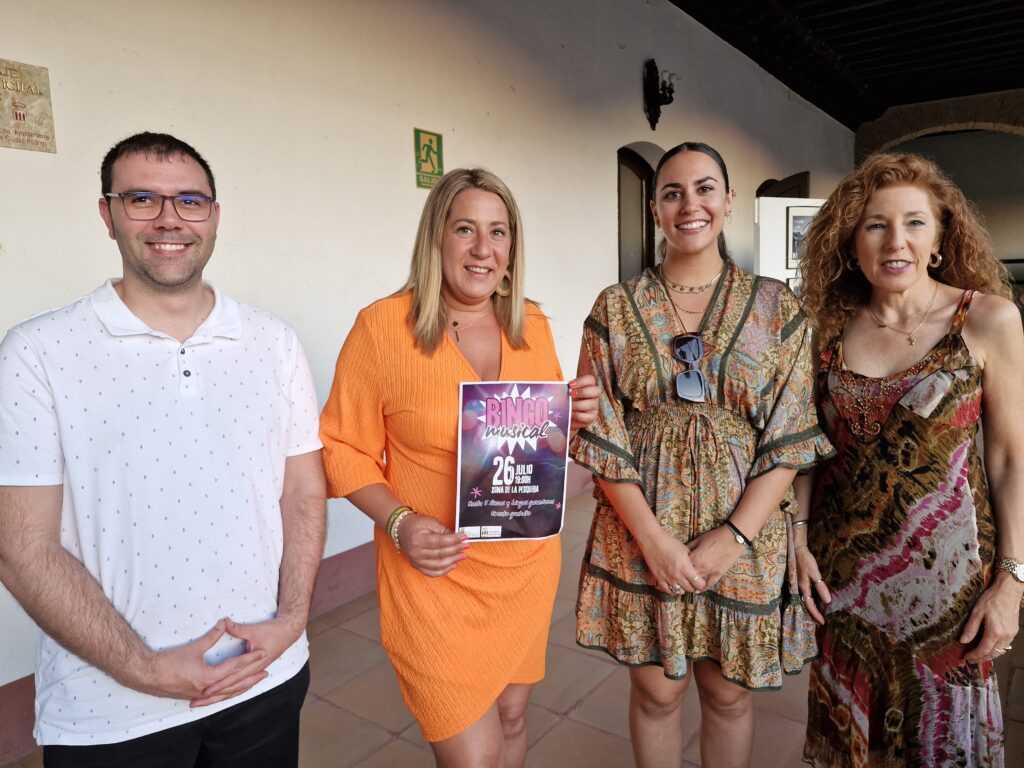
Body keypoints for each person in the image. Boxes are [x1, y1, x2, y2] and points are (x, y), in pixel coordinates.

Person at [0, 132, 326, 768]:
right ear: (108, 214)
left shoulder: (274, 342)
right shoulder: (37, 353)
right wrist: (145, 669)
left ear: (215, 216)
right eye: (142, 198)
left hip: (267, 676)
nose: (169, 219)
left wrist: (291, 621)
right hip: (110, 711)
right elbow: (21, 545)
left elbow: (303, 492)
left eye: (190, 201)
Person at [318, 167, 599, 768]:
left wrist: (576, 416)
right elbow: (341, 446)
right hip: (434, 573)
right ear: (436, 238)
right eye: (465, 229)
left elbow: (539, 440)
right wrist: (399, 523)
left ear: (512, 247)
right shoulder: (382, 328)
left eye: (498, 232)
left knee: (513, 716)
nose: (482, 249)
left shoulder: (532, 326)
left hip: (523, 567)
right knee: (471, 755)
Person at [570, 141, 834, 768]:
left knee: (728, 694)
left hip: (746, 531)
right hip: (640, 530)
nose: (690, 204)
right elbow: (601, 429)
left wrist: (734, 537)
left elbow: (791, 433)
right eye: (672, 193)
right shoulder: (615, 306)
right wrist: (653, 540)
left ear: (729, 200)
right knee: (657, 692)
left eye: (705, 188)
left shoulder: (777, 307)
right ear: (656, 210)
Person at [794, 152, 1023, 767]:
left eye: (915, 223)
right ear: (851, 242)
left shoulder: (988, 320)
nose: (896, 241)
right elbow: (807, 450)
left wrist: (1012, 580)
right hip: (843, 584)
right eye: (876, 224)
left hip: (949, 592)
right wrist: (797, 540)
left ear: (941, 238)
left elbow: (1009, 460)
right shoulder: (826, 330)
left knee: (941, 743)